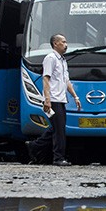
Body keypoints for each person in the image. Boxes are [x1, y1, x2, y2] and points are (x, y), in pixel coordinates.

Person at [26, 34, 81, 166]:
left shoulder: (63, 60)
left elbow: (66, 80)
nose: (66, 44)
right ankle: (58, 158)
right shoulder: (50, 58)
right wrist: (47, 99)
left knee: (57, 128)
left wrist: (75, 96)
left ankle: (34, 146)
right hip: (53, 99)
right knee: (59, 130)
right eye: (63, 42)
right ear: (55, 44)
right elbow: (46, 78)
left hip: (61, 99)